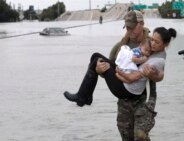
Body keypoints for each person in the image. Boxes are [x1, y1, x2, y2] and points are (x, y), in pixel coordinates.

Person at [64, 10, 177, 141]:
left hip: (142, 98)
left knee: (140, 136)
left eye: (132, 27)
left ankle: (83, 97)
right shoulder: (120, 46)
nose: (129, 30)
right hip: (124, 99)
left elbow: (160, 73)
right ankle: (85, 96)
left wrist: (154, 75)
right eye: (127, 27)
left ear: (141, 24)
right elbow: (109, 71)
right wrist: (99, 70)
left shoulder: (152, 44)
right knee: (96, 58)